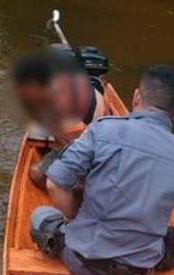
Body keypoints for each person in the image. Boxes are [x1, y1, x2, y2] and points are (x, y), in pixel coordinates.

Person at [29, 64, 174, 275]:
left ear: (136, 97)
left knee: (40, 215)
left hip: (84, 263)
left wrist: (74, 216)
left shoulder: (103, 130)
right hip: (141, 269)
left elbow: (54, 183)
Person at [11, 51, 109, 185]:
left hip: (87, 151)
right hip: (99, 140)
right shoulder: (89, 87)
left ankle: (82, 186)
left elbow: (77, 147)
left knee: (35, 174)